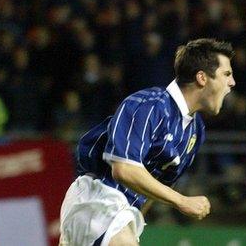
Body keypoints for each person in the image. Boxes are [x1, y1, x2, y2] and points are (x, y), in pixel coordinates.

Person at [59, 38, 236, 246]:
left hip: (125, 213)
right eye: (227, 74)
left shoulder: (195, 132)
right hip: (98, 197)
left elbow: (156, 186)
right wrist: (182, 200)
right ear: (202, 77)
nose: (232, 83)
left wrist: (135, 224)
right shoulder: (148, 105)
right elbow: (123, 170)